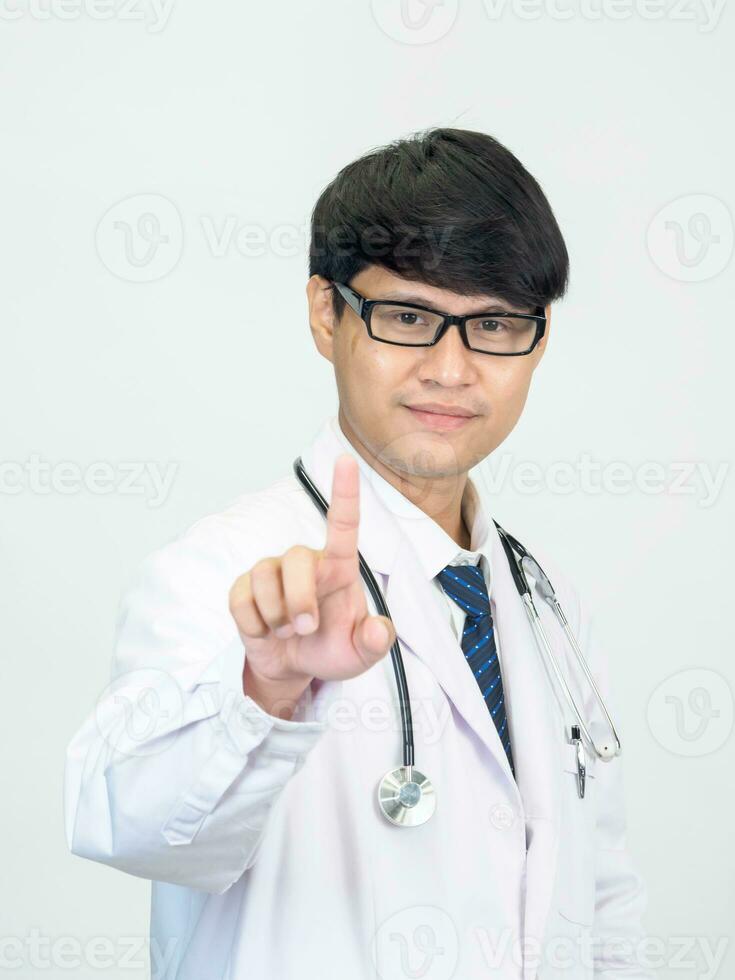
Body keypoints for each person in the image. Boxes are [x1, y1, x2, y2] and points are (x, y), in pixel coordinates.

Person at [64, 127, 653, 980]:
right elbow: (129, 825)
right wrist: (262, 690)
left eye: (492, 325)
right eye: (408, 317)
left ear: (540, 336)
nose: (452, 370)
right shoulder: (221, 571)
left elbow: (601, 896)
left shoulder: (541, 600)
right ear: (324, 313)